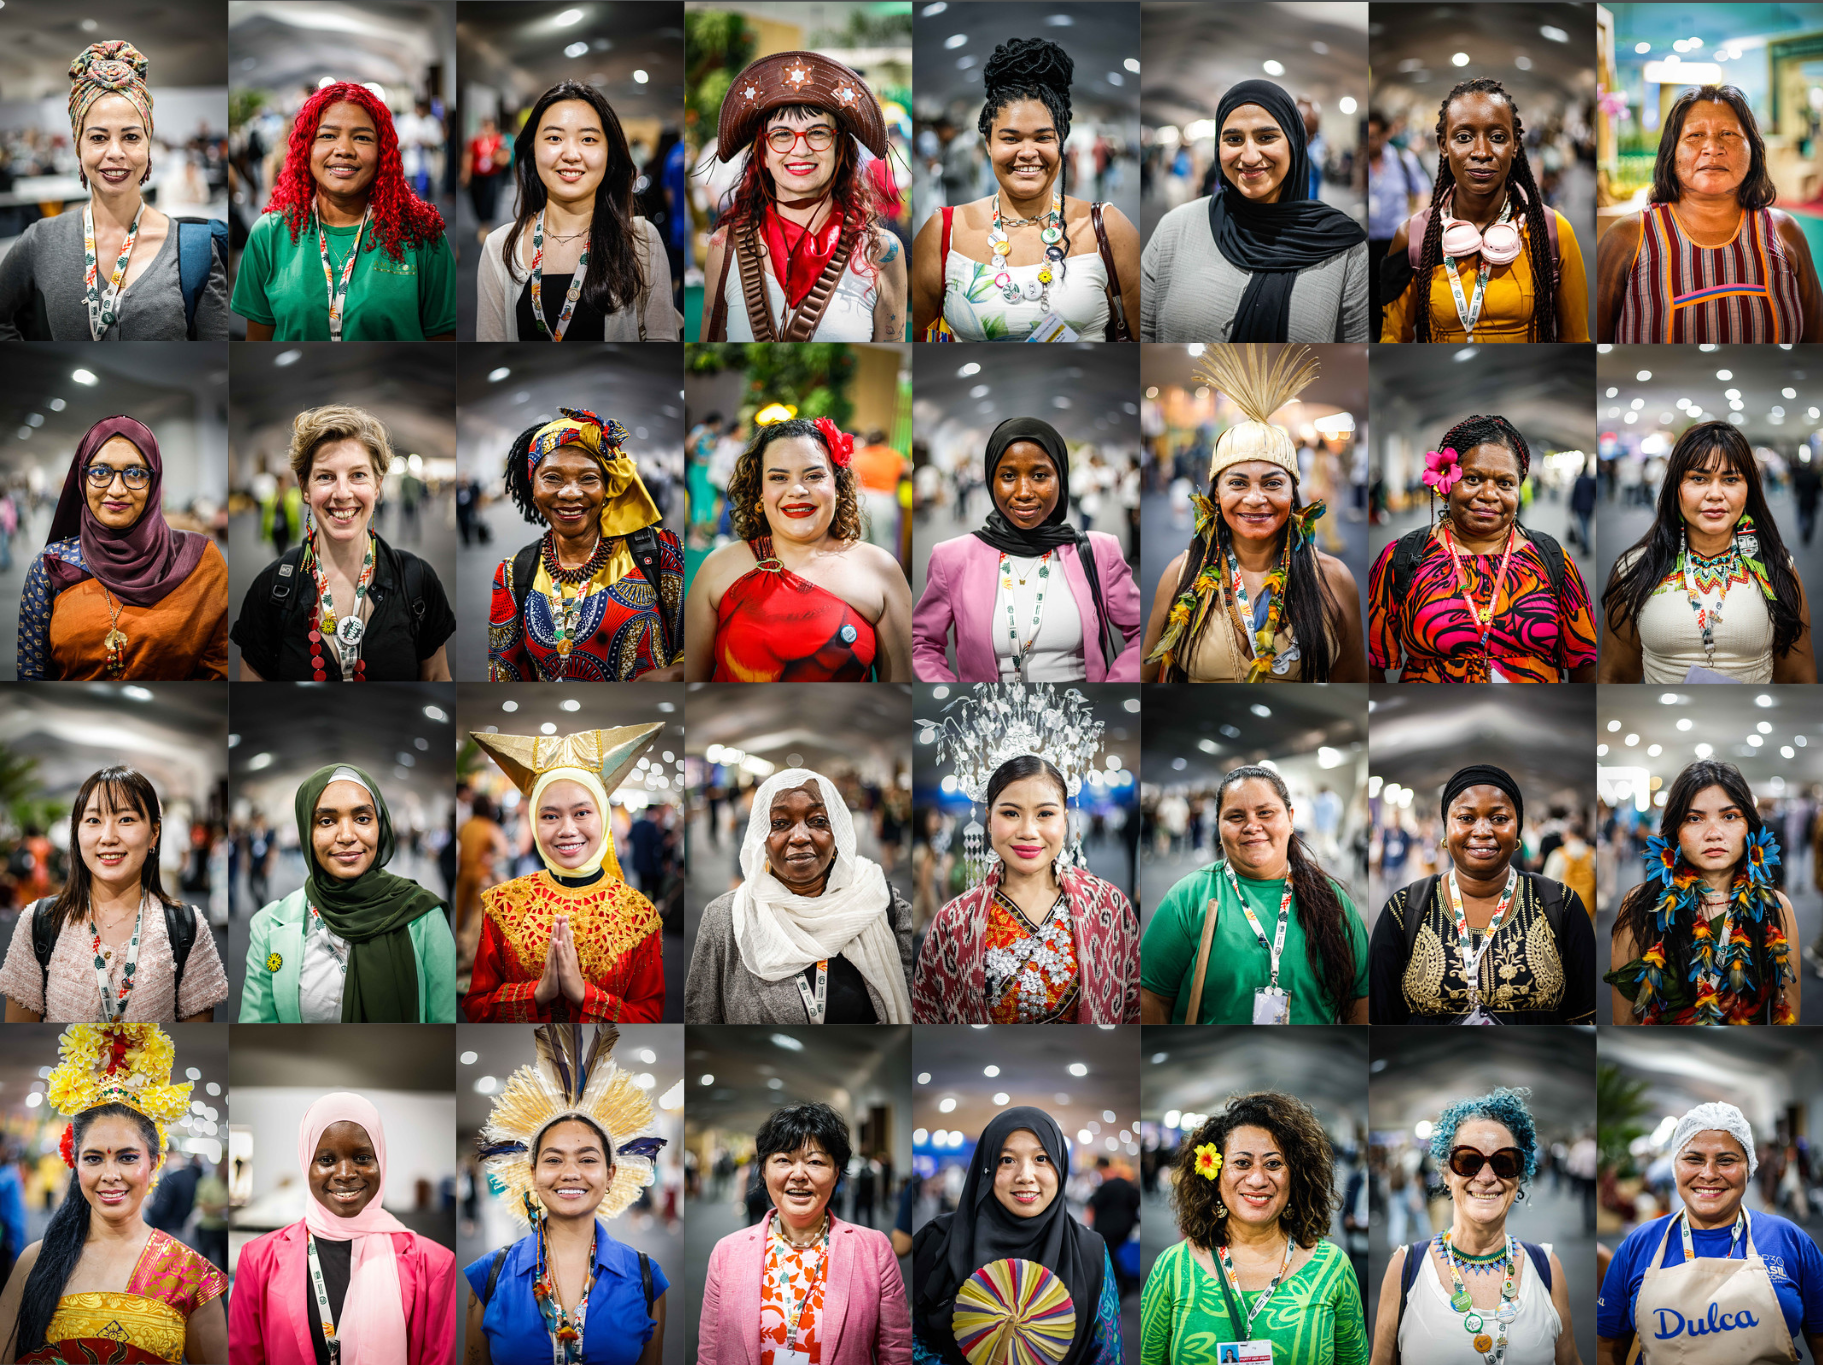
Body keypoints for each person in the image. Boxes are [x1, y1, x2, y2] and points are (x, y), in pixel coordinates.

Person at [0, 1023, 227, 1363]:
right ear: (76, 1164)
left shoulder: (190, 1274)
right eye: (94, 1158)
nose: (110, 1175)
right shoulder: (36, 1261)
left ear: (155, 1163)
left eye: (127, 1157)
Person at [1138, 344, 1366, 682]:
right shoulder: (1181, 575)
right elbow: (1146, 678)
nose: (1256, 499)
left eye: (1273, 484)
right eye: (1238, 483)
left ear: (1293, 493)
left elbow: (1353, 682)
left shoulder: (1334, 579)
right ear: (1217, 493)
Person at [464, 1023, 669, 1365]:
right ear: (533, 1174)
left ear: (610, 1175)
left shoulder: (646, 1276)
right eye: (553, 1159)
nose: (570, 1172)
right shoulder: (490, 1274)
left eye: (587, 1159)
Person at [912, 38, 1139, 342]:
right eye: (1010, 139)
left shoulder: (1108, 228)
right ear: (988, 144)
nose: (1028, 152)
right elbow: (921, 336)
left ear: (1061, 141)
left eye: (1043, 138)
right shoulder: (943, 232)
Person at [0, 42, 227, 340]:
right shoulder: (43, 240)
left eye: (131, 137)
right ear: (78, 147)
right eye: (98, 138)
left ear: (148, 145)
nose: (115, 152)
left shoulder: (193, 250)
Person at [229, 1092, 457, 1365]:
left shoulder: (433, 1265)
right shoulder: (257, 1259)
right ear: (306, 1163)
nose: (346, 1174)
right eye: (326, 1160)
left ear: (380, 1160)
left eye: (362, 1157)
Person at [232, 405, 456, 681]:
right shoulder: (270, 589)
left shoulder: (417, 581)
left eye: (358, 475)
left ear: (377, 485)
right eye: (325, 476)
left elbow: (437, 678)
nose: (342, 493)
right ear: (304, 487)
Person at [1141, 1093, 1368, 1365]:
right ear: (1215, 1175)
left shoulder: (1331, 1267)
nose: (1258, 1179)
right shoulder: (1173, 1268)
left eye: (1273, 1164)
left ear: (1295, 1176)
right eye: (1242, 1163)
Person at [1369, 415, 1597, 683]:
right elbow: (1372, 665)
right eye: (1473, 479)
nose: (1489, 494)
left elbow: (1584, 662)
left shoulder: (1551, 558)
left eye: (1505, 483)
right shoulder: (1403, 557)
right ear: (1446, 482)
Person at [684, 417, 913, 682]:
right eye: (778, 478)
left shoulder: (880, 569)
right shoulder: (718, 566)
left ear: (837, 485)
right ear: (760, 491)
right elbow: (690, 684)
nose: (797, 490)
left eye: (814, 476)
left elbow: (902, 691)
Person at [912, 754, 1139, 1023]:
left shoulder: (1109, 906)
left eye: (1045, 814)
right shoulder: (953, 921)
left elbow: (1133, 1010)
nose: (1028, 831)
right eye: (1010, 813)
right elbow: (927, 1016)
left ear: (1065, 820)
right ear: (989, 820)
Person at [462, 725, 666, 1022]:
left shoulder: (639, 914)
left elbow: (649, 1017)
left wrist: (584, 995)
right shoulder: (503, 904)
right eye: (550, 816)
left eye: (582, 813)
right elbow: (476, 1007)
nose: (567, 830)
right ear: (534, 822)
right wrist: (538, 993)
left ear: (603, 816)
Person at [914, 416, 1143, 681]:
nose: (1024, 492)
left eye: (1039, 475)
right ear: (991, 480)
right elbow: (923, 643)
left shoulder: (1100, 551)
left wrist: (1115, 686)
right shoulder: (952, 557)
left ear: (1061, 478)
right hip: (992, 707)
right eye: (1008, 476)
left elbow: (1142, 631)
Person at [1141, 764, 1370, 1025]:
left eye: (1265, 813)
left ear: (1291, 819)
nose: (1252, 826)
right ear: (1218, 826)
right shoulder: (1189, 898)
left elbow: (1359, 999)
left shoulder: (1332, 900)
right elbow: (1152, 998)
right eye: (1236, 817)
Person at [1595, 1102, 1823, 1363]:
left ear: (1749, 1166)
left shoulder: (1789, 1240)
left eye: (1726, 1161)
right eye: (1694, 1159)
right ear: (1674, 1166)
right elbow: (1608, 1347)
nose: (1709, 1174)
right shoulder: (1639, 1245)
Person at [1143, 80, 1369, 343]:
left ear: (1294, 143)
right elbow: (1145, 334)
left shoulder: (1343, 248)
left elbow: (1352, 354)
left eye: (1266, 137)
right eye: (1234, 139)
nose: (1249, 157)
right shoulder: (1174, 230)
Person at [1369, 764, 1597, 1025]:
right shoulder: (1404, 909)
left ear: (1518, 829)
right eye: (1466, 818)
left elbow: (1586, 1015)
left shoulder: (1561, 904)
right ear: (1445, 827)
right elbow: (1380, 1020)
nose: (1482, 831)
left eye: (1499, 819)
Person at [702, 52, 907, 341]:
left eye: (818, 133)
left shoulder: (881, 251)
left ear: (840, 150)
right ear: (763, 154)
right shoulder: (724, 246)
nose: (800, 150)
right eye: (782, 134)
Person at [231, 82, 457, 341]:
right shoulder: (269, 233)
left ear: (382, 151)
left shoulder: (422, 235)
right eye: (328, 136)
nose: (344, 150)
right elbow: (257, 342)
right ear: (307, 148)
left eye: (362, 138)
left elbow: (444, 345)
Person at [685, 767, 913, 1024]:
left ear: (838, 832)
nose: (800, 837)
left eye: (818, 821)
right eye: (780, 823)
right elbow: (700, 1022)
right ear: (761, 837)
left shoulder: (882, 905)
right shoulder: (725, 920)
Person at [0, 766, 227, 1023]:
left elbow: (196, 1039)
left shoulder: (187, 927)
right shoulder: (39, 922)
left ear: (154, 833)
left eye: (126, 819)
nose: (108, 837)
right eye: (93, 821)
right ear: (76, 831)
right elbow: (21, 1035)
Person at [1599, 85, 1823, 343]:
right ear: (1671, 153)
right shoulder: (1628, 237)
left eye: (1728, 134)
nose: (1713, 148)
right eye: (1695, 135)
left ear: (1752, 151)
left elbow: (1816, 341)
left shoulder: (1784, 232)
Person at [1368, 1088, 1576, 1365]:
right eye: (1468, 1161)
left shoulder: (1547, 1267)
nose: (1486, 1177)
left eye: (1503, 1162)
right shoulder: (1405, 1267)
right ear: (1446, 1174)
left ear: (1519, 1176)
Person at [1600, 420, 1815, 684]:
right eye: (1699, 478)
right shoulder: (1634, 569)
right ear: (1676, 487)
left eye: (1730, 479)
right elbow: (1615, 676)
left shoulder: (1777, 568)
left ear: (1749, 489)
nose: (1715, 494)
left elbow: (1798, 679)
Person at [239, 763, 457, 1023]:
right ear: (307, 832)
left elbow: (444, 1023)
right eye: (326, 821)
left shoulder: (422, 915)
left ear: (381, 826)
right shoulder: (269, 926)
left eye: (362, 819)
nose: (346, 836)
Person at [18, 416, 228, 681]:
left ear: (154, 481)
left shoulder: (198, 559)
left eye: (136, 473)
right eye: (100, 472)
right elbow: (32, 675)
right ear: (82, 479)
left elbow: (219, 668)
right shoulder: (53, 564)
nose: (116, 490)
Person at [699, 1102, 909, 1364]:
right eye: (783, 1160)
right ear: (763, 1170)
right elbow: (710, 1354)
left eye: (815, 1161)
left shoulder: (874, 1250)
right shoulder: (727, 1253)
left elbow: (896, 1353)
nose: (798, 1174)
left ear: (836, 1173)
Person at [1380, 78, 1588, 343]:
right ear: (1443, 145)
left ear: (1515, 145)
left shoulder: (1552, 232)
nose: (1481, 152)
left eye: (1497, 137)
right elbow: (1392, 341)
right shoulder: (1413, 237)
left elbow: (1576, 341)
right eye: (1464, 138)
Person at [487, 407, 682, 681]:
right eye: (552, 478)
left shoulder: (659, 552)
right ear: (532, 488)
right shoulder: (513, 574)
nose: (570, 493)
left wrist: (675, 674)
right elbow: (504, 674)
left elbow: (697, 648)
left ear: (607, 487)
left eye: (588, 478)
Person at [476, 82, 676, 342]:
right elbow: (491, 350)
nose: (571, 154)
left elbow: (662, 344)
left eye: (588, 139)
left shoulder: (641, 241)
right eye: (554, 138)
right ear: (533, 149)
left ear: (609, 152)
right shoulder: (499, 248)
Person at [914, 1107, 1115, 1365]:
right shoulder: (939, 1240)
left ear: (1060, 1166)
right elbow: (907, 1338)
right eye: (1007, 1160)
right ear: (986, 1167)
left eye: (1041, 1158)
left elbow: (1107, 1355)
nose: (1025, 1176)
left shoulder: (1091, 1251)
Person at [1607, 760, 1800, 1026]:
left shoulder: (1775, 908)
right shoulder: (1642, 906)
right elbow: (1625, 1021)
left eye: (1729, 816)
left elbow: (1787, 1016)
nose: (1713, 833)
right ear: (1675, 829)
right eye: (1694, 818)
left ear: (1749, 826)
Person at [1366, 109, 1429, 339]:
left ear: (1385, 135)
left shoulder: (1403, 160)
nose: (1369, 142)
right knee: (1373, 300)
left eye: (1373, 136)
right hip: (1368, 243)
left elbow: (1423, 191)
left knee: (1399, 300)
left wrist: (1414, 223)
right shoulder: (1361, 162)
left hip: (1397, 245)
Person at [1087, 1158, 1140, 1300]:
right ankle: (1116, 1285)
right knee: (1109, 1255)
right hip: (1125, 1227)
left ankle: (1123, 1283)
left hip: (1109, 1229)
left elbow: (1093, 1203)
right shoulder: (1125, 1184)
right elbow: (1136, 1202)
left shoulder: (1105, 1186)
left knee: (1106, 1255)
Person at [461, 114, 509, 243]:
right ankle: (481, 221)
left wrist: (498, 157)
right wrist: (465, 173)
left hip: (492, 175)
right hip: (477, 175)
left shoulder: (499, 139)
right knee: (476, 199)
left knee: (489, 199)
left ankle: (485, 224)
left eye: (489, 125)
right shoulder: (476, 140)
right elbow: (468, 156)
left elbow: (505, 155)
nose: (486, 128)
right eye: (484, 125)